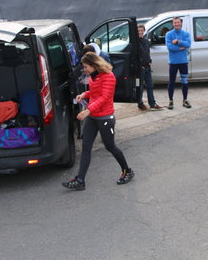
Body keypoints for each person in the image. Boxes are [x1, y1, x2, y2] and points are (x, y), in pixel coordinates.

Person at [62, 52, 134, 190]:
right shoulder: (93, 76)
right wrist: (84, 94)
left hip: (106, 118)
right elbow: (95, 93)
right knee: (86, 147)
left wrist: (87, 110)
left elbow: (105, 97)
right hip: (93, 117)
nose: (85, 69)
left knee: (110, 146)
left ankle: (127, 171)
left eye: (86, 66)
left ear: (94, 64)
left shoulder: (108, 76)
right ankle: (80, 180)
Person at [165, 17, 191, 109]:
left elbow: (188, 44)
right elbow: (169, 47)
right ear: (173, 24)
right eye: (175, 22)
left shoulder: (186, 33)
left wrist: (178, 42)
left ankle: (185, 100)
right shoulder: (168, 34)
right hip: (173, 62)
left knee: (184, 81)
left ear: (181, 23)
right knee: (171, 81)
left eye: (178, 22)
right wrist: (180, 47)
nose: (177, 24)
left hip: (183, 62)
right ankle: (171, 101)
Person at [137, 24, 163, 110]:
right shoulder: (134, 43)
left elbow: (147, 53)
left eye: (142, 30)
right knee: (139, 87)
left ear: (144, 31)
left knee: (150, 86)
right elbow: (134, 57)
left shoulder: (146, 41)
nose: (140, 32)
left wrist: (150, 61)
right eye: (139, 31)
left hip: (148, 67)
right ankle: (140, 104)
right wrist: (140, 66)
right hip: (140, 69)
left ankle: (152, 104)